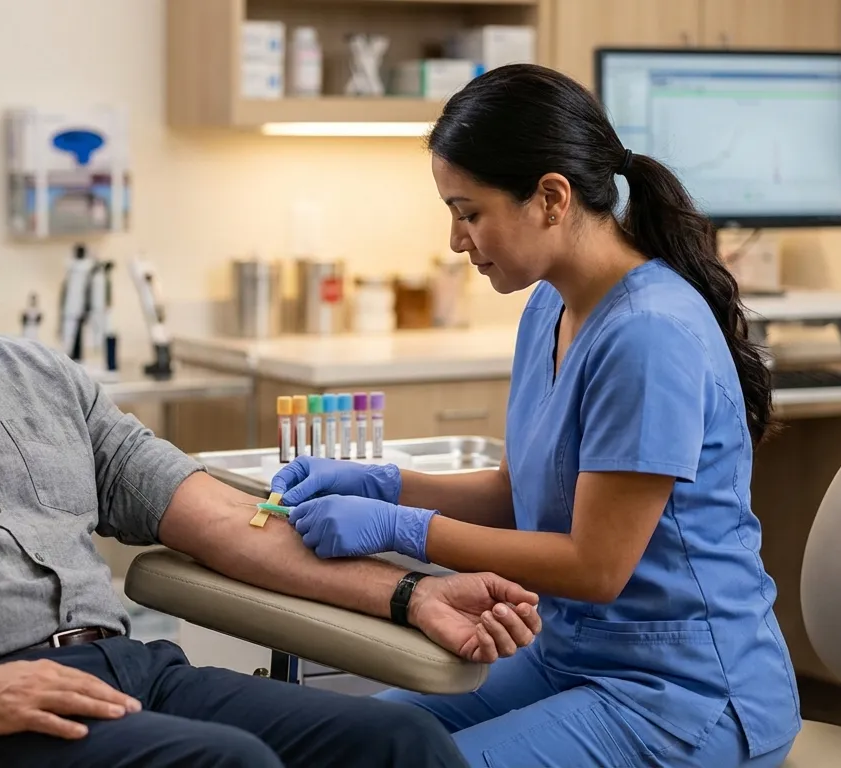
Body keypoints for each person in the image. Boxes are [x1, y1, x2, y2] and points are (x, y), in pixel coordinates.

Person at [0, 81, 545, 768]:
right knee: (224, 765)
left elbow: (223, 521)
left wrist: (409, 591)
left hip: (128, 671)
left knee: (402, 749)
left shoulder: (40, 378)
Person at [272, 63, 800, 767]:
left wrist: (407, 529)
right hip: (570, 654)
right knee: (352, 745)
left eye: (469, 212)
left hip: (684, 694)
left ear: (551, 198)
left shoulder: (648, 334)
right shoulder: (550, 305)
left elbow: (594, 566)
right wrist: (381, 482)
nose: (457, 240)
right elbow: (517, 491)